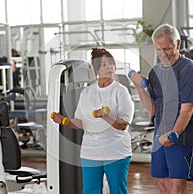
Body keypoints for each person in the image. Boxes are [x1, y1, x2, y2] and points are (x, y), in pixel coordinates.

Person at [129, 24, 193, 194]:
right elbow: (153, 110)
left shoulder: (189, 70)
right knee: (163, 186)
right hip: (159, 136)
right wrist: (139, 88)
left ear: (177, 45)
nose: (163, 54)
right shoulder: (156, 72)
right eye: (158, 49)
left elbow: (187, 109)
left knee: (176, 188)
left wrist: (174, 134)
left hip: (181, 136)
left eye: (167, 49)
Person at [51, 47, 134, 194]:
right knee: (90, 190)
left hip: (116, 151)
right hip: (90, 151)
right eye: (104, 65)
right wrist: (64, 121)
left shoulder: (120, 91)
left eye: (111, 63)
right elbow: (80, 122)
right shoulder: (87, 92)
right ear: (96, 70)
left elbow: (123, 125)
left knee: (117, 190)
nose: (109, 67)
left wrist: (106, 116)